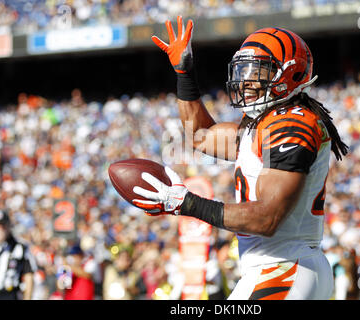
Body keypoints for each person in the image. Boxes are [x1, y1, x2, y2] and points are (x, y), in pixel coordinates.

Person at [132, 16, 348, 300]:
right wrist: (184, 74)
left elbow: (266, 219)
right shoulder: (261, 125)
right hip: (276, 267)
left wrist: (186, 203)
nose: (245, 80)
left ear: (289, 73)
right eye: (243, 70)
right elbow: (198, 134)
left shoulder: (291, 124)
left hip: (285, 266)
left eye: (257, 71)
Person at [0, 210, 37, 300]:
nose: (0, 229)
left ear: (8, 226)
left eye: (3, 226)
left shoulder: (20, 247)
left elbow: (29, 275)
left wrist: (27, 297)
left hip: (9, 293)